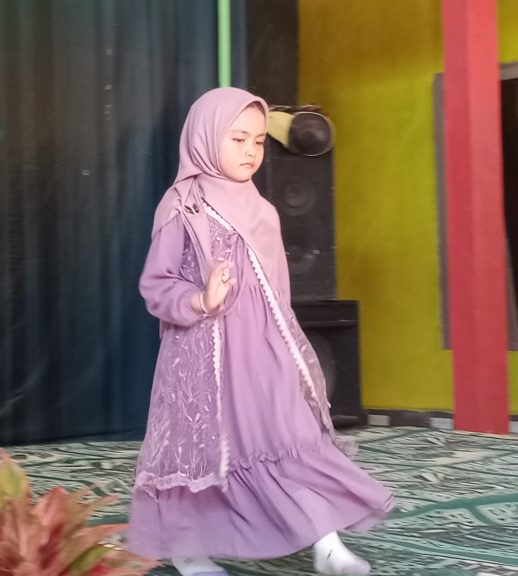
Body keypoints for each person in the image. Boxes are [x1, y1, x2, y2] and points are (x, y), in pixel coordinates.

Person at [127, 87, 393, 576]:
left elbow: (277, 293)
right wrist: (200, 299)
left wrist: (286, 349)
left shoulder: (263, 210)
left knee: (291, 434)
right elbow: (156, 285)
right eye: (237, 139)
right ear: (206, 136)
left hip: (263, 350)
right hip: (202, 355)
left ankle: (327, 544)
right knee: (201, 448)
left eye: (258, 141)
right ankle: (188, 550)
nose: (250, 151)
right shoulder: (183, 206)